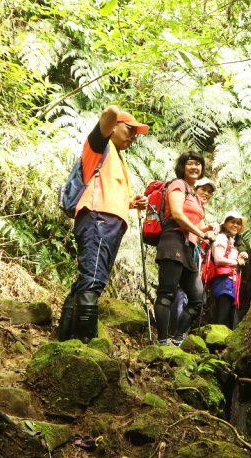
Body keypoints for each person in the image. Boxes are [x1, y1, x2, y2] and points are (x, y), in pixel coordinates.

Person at [56, 105, 149, 343]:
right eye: (129, 129)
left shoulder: (116, 157)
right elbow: (109, 113)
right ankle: (86, 343)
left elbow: (107, 190)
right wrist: (117, 114)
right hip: (98, 219)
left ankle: (66, 339)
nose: (132, 136)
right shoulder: (99, 147)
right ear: (114, 127)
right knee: (93, 280)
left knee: (88, 279)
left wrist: (131, 202)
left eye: (135, 134)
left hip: (108, 222)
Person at [154, 152, 215, 345]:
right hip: (172, 242)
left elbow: (193, 225)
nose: (195, 167)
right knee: (167, 294)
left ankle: (177, 338)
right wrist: (202, 232)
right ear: (183, 166)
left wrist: (207, 231)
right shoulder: (178, 185)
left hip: (187, 248)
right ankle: (163, 341)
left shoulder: (193, 194)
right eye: (191, 164)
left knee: (198, 299)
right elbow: (178, 215)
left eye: (198, 164)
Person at [169, 177, 217, 334]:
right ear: (196, 189)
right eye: (203, 189)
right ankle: (175, 334)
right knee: (179, 292)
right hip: (180, 248)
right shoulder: (189, 202)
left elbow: (198, 230)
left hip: (191, 251)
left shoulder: (199, 210)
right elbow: (185, 223)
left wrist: (209, 228)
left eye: (209, 192)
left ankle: (180, 334)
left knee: (190, 296)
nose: (206, 194)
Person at [209, 211, 248, 328]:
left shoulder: (233, 242)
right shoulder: (221, 238)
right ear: (225, 224)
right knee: (223, 313)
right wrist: (236, 262)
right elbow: (218, 259)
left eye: (238, 223)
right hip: (223, 281)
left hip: (231, 281)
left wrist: (242, 256)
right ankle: (216, 340)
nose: (236, 225)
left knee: (231, 315)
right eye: (232, 222)